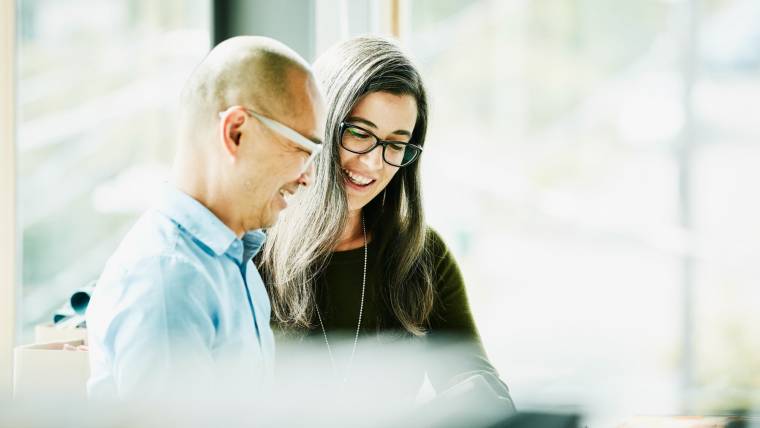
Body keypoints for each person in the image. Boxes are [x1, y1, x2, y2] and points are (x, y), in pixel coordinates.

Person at [260, 36, 515, 413]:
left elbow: (490, 397)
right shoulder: (251, 250)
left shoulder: (421, 254)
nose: (374, 164)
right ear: (319, 125)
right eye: (360, 134)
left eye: (395, 144)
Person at [86, 35, 325, 400]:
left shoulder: (233, 263)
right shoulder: (168, 282)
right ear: (236, 132)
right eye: (301, 149)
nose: (307, 176)